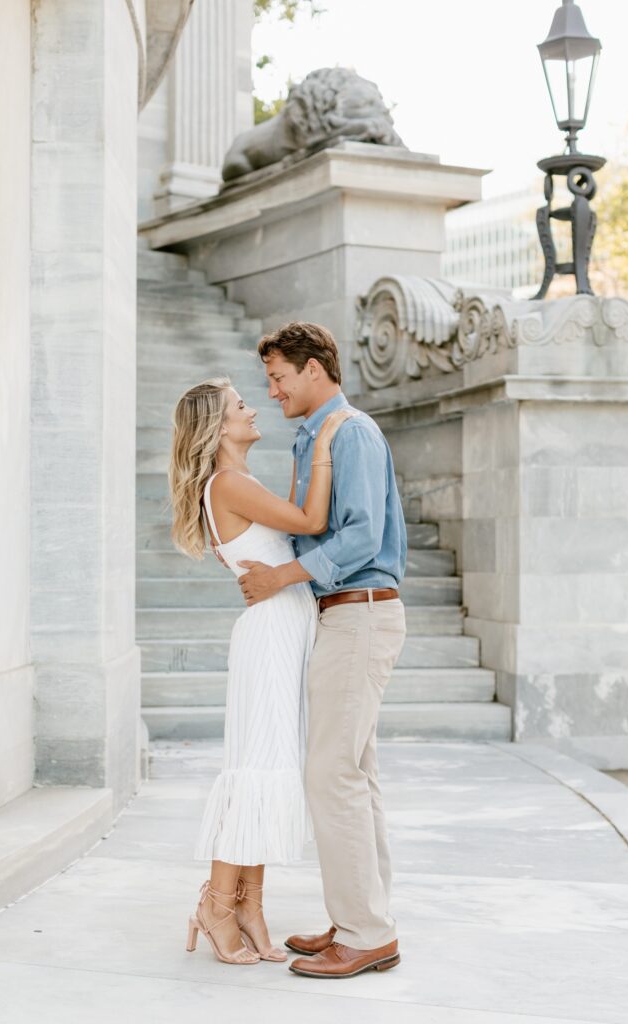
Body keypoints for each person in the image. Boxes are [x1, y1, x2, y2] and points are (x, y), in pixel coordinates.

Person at [237, 322, 408, 979]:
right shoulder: (319, 436)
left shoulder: (352, 432)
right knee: (352, 776)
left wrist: (280, 577)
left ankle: (365, 932)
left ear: (315, 369)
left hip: (359, 615)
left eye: (279, 377)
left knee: (330, 774)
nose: (273, 390)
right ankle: (363, 921)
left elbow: (361, 537)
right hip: (344, 617)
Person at [169, 376, 352, 966]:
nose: (252, 410)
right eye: (240, 406)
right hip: (271, 634)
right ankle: (218, 905)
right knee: (257, 769)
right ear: (218, 428)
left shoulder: (238, 480)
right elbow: (311, 520)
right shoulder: (227, 483)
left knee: (271, 768)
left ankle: (249, 903)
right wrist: (322, 441)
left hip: (282, 628)